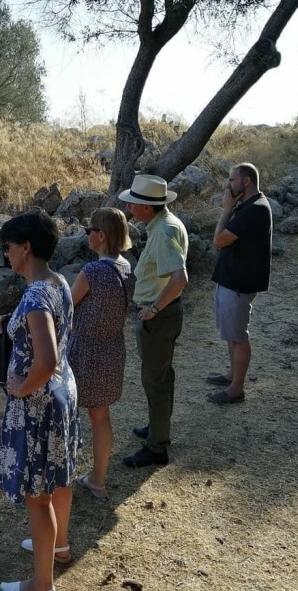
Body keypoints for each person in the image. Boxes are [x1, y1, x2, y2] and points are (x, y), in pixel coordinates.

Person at [0, 209, 80, 591]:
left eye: (8, 247)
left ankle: (41, 583)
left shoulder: (34, 297)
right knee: (59, 479)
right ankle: (58, 547)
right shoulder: (58, 281)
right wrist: (10, 323)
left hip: (38, 403)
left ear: (26, 247)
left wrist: (19, 387)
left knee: (37, 495)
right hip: (63, 393)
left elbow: (45, 360)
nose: (5, 255)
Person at [118, 174, 188, 467]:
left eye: (134, 202)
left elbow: (180, 278)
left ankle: (157, 448)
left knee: (155, 379)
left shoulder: (163, 232)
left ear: (147, 208)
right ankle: (156, 430)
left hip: (159, 316)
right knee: (159, 377)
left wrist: (154, 309)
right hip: (160, 313)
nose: (130, 206)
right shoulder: (165, 225)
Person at [67, 208, 135, 500]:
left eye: (89, 230)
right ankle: (98, 480)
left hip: (84, 351)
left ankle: (60, 478)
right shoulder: (127, 268)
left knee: (66, 414)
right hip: (112, 351)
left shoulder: (92, 272)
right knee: (100, 417)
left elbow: (67, 306)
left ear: (102, 235)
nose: (87, 234)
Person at [207, 163, 272, 404]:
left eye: (232, 180)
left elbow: (219, 240)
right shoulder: (248, 206)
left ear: (246, 181)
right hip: (231, 280)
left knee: (238, 337)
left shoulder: (254, 209)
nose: (228, 185)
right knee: (231, 333)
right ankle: (231, 375)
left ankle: (236, 389)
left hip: (238, 283)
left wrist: (226, 209)